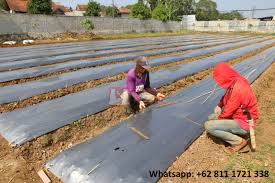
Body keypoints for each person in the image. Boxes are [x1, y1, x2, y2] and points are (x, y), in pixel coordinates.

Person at [205, 63, 258, 153]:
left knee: (209, 126)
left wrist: (218, 120)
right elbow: (226, 95)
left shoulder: (238, 88)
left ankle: (239, 142)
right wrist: (219, 105)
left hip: (244, 122)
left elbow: (228, 111)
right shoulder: (234, 81)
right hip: (238, 116)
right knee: (211, 117)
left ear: (225, 76)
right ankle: (229, 133)